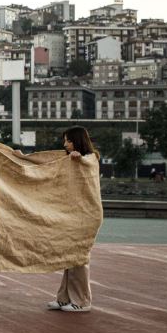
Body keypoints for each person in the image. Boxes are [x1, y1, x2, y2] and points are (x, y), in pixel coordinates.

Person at [46, 126, 98, 313]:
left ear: (78, 141)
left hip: (86, 216)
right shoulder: (70, 158)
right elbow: (47, 162)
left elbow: (89, 165)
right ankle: (65, 298)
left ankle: (82, 301)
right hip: (75, 215)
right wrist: (21, 157)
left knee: (79, 258)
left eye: (68, 140)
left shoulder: (90, 159)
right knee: (70, 256)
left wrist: (80, 160)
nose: (65, 144)